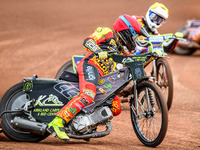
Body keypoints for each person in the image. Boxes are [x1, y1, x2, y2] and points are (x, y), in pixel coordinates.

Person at [47, 14, 149, 141]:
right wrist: (98, 51)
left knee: (116, 106)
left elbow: (132, 59)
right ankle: (57, 122)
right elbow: (88, 41)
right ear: (128, 31)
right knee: (88, 95)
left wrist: (151, 54)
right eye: (135, 35)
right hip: (90, 65)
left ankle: (86, 125)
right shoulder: (107, 32)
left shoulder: (121, 48)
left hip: (102, 75)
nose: (135, 39)